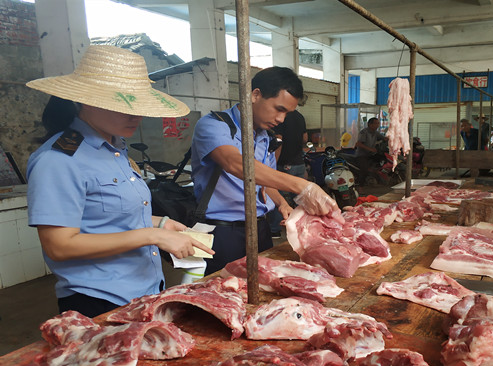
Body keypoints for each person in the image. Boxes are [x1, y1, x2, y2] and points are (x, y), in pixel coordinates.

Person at [25, 45, 213, 318]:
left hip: (144, 289)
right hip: (99, 300)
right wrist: (153, 236)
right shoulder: (59, 160)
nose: (135, 115)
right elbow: (59, 245)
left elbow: (105, 216)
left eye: (138, 105)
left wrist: (159, 223)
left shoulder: (115, 149)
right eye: (123, 104)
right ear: (87, 100)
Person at [191, 66, 338, 275]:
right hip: (222, 232)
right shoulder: (214, 125)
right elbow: (235, 163)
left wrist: (282, 203)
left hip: (260, 228)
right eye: (279, 109)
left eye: (286, 113)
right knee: (224, 288)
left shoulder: (264, 136)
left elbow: (263, 180)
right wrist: (303, 186)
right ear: (255, 95)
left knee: (265, 286)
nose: (281, 119)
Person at [268, 109, 308, 237]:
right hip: (299, 163)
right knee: (300, 199)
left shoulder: (280, 117)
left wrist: (272, 166)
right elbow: (305, 138)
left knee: (277, 196)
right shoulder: (300, 116)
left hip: (284, 164)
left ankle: (275, 229)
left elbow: (278, 142)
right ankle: (304, 229)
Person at [353, 117, 387, 183]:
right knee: (364, 169)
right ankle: (361, 186)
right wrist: (370, 149)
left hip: (371, 154)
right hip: (362, 155)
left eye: (378, 123)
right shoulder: (364, 132)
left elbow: (383, 138)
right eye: (376, 123)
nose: (378, 125)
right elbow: (358, 144)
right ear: (370, 124)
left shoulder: (375, 133)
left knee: (382, 160)